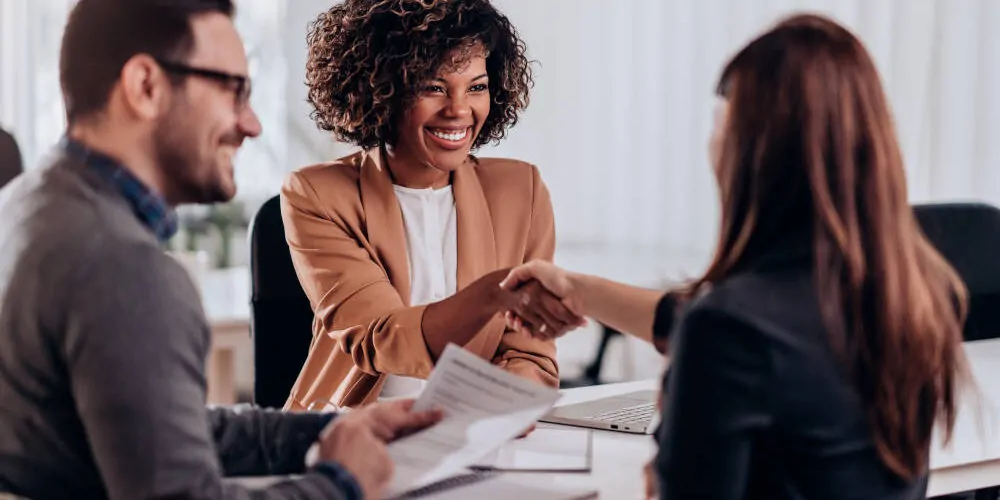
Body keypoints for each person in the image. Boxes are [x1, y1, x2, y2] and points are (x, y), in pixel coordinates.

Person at [501, 14, 970, 500]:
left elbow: (720, 337)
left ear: (755, 153)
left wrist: (664, 456)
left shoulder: (730, 328)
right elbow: (699, 321)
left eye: (723, 122)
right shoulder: (909, 299)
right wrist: (577, 290)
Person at [0, 1, 440, 499]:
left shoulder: (26, 205)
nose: (251, 124)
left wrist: (327, 431)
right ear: (146, 87)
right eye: (233, 91)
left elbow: (159, 428)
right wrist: (342, 484)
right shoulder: (123, 269)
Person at [281, 0, 581, 411]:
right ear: (383, 88)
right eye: (433, 87)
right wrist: (494, 295)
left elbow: (528, 352)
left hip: (473, 438)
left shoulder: (521, 191)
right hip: (353, 435)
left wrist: (509, 408)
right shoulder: (317, 194)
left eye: (476, 87)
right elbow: (382, 337)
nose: (459, 110)